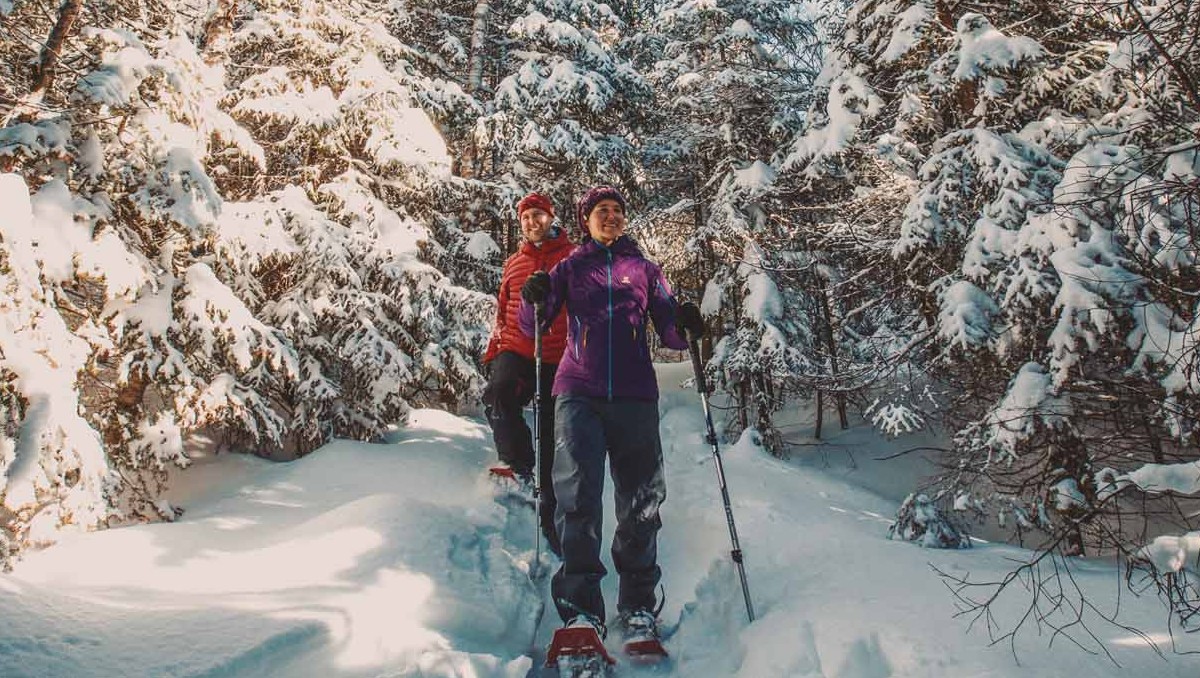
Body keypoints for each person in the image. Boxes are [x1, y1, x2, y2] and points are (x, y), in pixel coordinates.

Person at [518, 186, 705, 646]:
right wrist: (534, 296)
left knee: (642, 502)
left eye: (618, 211)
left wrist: (684, 323)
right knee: (578, 499)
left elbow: (669, 328)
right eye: (603, 211)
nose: (612, 217)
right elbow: (532, 325)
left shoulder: (644, 269)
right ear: (586, 219)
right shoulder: (570, 266)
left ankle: (638, 607)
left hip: (635, 396)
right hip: (578, 393)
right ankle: (581, 612)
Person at [482, 192, 575, 555]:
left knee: (553, 439)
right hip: (518, 350)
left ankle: (556, 533)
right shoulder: (514, 262)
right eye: (525, 217)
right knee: (498, 393)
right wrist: (495, 350)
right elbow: (503, 310)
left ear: (551, 218)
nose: (532, 222)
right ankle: (518, 466)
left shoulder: (570, 257)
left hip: (559, 356)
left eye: (538, 215)